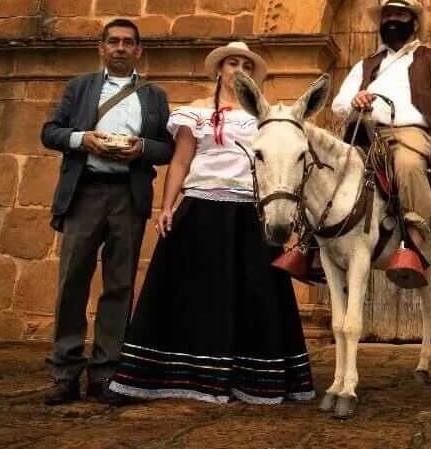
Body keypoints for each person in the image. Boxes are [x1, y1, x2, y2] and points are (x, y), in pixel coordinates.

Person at [109, 42, 314, 405]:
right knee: (195, 292)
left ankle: (250, 378)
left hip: (250, 211)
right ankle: (186, 374)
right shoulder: (195, 114)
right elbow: (180, 162)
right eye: (231, 63)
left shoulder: (265, 116)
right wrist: (167, 206)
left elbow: (280, 162)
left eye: (245, 65)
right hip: (202, 206)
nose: (238, 69)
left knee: (254, 293)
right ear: (218, 69)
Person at [40, 18, 174, 405]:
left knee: (120, 286)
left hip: (127, 198)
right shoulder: (80, 87)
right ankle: (65, 372)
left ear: (138, 51)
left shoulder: (153, 96)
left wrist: (141, 149)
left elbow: (165, 148)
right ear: (101, 47)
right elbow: (50, 132)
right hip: (85, 193)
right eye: (112, 41)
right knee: (72, 283)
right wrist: (84, 140)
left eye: (127, 42)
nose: (119, 47)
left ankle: (106, 372)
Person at [331, 0, 431, 289]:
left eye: (399, 16)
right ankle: (312, 246)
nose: (392, 21)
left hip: (408, 132)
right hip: (364, 133)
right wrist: (356, 99)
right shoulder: (364, 65)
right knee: (328, 171)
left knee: (407, 165)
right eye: (387, 16)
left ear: (414, 23)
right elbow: (338, 104)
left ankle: (413, 244)